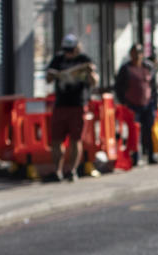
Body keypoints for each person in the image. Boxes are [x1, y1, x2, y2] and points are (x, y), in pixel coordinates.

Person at [46, 34, 98, 182]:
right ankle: (58, 171)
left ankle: (72, 171)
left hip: (78, 104)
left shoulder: (84, 60)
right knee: (56, 140)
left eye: (71, 50)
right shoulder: (58, 59)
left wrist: (90, 73)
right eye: (66, 50)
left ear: (77, 48)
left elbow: (94, 81)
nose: (68, 53)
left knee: (76, 140)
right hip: (61, 104)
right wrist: (54, 75)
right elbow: (48, 78)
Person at [114, 44, 158, 166]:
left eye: (139, 53)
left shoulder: (148, 67)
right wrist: (124, 102)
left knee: (149, 130)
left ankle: (151, 154)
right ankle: (135, 156)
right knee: (134, 132)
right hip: (132, 104)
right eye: (134, 53)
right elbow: (118, 87)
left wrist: (155, 103)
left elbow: (153, 87)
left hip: (147, 104)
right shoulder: (126, 68)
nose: (136, 55)